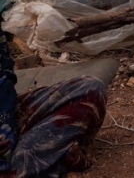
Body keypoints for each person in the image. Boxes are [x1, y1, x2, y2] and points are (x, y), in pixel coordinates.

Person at [0, 31, 107, 178]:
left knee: (90, 88)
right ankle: (52, 157)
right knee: (23, 159)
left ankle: (41, 158)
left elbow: (5, 83)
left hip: (8, 117)